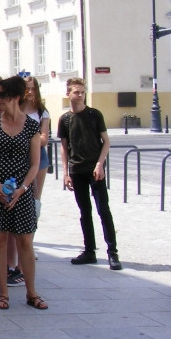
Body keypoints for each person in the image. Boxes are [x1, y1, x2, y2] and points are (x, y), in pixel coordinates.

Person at [0, 76, 47, 310]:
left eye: (2, 96)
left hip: (22, 190)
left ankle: (31, 292)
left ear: (16, 97)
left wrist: (22, 189)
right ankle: (3, 293)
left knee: (25, 241)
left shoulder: (31, 125)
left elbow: (35, 164)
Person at [58, 77, 121, 270]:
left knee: (104, 210)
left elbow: (106, 142)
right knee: (85, 212)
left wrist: (100, 164)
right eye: (76, 92)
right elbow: (64, 148)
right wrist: (66, 173)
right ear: (68, 94)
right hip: (77, 170)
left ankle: (113, 252)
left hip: (95, 171)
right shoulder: (65, 119)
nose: (80, 95)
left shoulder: (94, 115)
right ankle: (89, 251)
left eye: (82, 92)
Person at [22, 75, 51, 219]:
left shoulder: (41, 112)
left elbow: (44, 138)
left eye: (33, 88)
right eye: (27, 88)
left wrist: (22, 138)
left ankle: (31, 234)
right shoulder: (17, 109)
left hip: (39, 156)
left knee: (35, 198)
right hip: (19, 156)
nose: (30, 92)